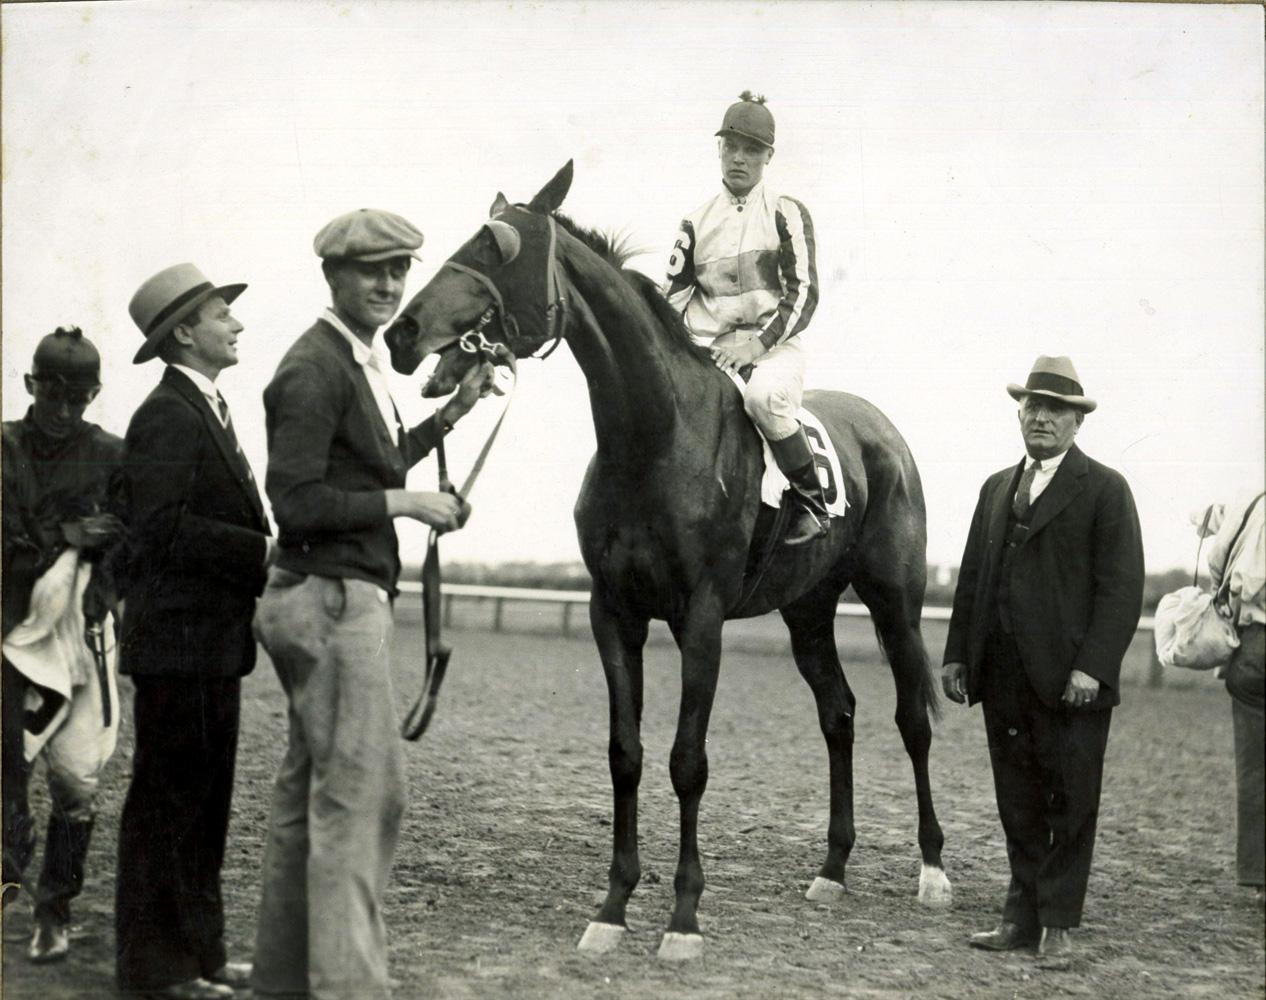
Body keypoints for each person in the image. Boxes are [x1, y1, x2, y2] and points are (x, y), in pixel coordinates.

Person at [250, 208, 495, 1000]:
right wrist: (406, 504)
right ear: (334, 276)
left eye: (400, 271)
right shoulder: (314, 368)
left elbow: (371, 463)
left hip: (332, 598)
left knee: (307, 801)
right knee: (364, 801)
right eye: (372, 272)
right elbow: (294, 501)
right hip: (329, 600)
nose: (389, 285)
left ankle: (283, 982)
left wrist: (452, 416)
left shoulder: (353, 361)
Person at [941, 355, 1145, 966]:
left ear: (1077, 422)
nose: (1041, 418)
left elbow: (1121, 588)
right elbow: (974, 578)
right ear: (1020, 413)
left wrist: (1093, 667)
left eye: (1055, 410)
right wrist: (957, 657)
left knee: (1071, 799)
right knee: (1017, 799)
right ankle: (1020, 917)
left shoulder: (1105, 489)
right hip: (1001, 675)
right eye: (1032, 406)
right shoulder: (997, 487)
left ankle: (1059, 923)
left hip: (1070, 681)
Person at [115, 264, 273, 1000]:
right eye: (222, 315)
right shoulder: (168, 415)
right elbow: (161, 530)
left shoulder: (201, 406)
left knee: (203, 807)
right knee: (167, 808)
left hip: (209, 645)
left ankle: (202, 957)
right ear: (185, 331)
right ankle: (157, 971)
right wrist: (261, 552)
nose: (236, 325)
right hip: (178, 647)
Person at [1, 326, 124, 963]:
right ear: (31, 385)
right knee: (6, 782)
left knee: (78, 781)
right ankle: (7, 890)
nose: (66, 408)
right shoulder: (2, 445)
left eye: (79, 397)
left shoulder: (112, 453)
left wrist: (101, 551)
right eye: (54, 394)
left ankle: (56, 908)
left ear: (94, 393)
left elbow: (133, 538)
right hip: (4, 642)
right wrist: (71, 535)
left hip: (82, 642)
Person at [662, 90, 823, 545]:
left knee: (765, 399)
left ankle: (811, 499)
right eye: (730, 146)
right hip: (707, 350)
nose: (738, 158)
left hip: (770, 347)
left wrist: (753, 348)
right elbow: (670, 303)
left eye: (751, 149)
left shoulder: (786, 212)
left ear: (768, 155)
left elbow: (804, 295)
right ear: (718, 148)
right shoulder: (693, 223)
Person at [1195, 488, 1265, 903]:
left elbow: (1216, 562)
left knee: (1254, 768)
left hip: (1254, 644)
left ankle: (1259, 877)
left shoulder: (1251, 501)